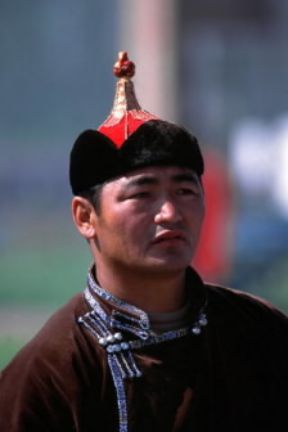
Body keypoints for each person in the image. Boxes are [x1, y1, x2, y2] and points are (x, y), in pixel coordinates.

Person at [0, 51, 287, 432]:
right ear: (86, 217)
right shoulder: (52, 370)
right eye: (142, 195)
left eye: (185, 190)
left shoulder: (258, 330)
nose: (170, 212)